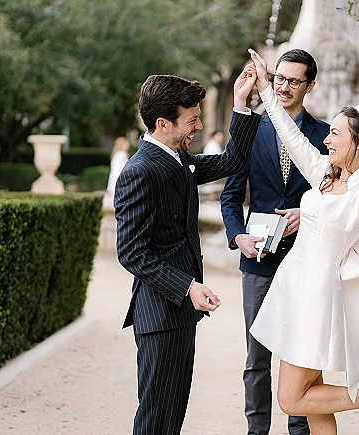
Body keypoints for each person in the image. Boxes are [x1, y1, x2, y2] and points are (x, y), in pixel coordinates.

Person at [247, 49, 359, 434]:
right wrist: (265, 88)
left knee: (291, 399)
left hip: (316, 295)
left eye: (335, 133)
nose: (326, 138)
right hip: (293, 286)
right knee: (310, 396)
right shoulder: (326, 177)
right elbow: (291, 135)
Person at [114, 66, 261, 435]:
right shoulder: (140, 171)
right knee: (156, 421)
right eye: (192, 120)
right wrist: (188, 286)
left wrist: (241, 103)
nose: (198, 126)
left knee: (171, 417)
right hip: (160, 314)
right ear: (163, 123)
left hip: (177, 314)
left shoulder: (177, 158)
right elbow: (131, 252)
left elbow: (233, 162)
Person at [220, 49, 330, 435]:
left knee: (300, 353)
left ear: (310, 86)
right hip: (259, 262)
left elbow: (338, 193)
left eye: (293, 81)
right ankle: (257, 431)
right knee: (256, 359)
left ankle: (298, 430)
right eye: (279, 78)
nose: (282, 87)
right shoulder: (252, 131)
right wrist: (238, 236)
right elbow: (231, 195)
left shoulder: (326, 136)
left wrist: (309, 212)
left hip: (307, 260)